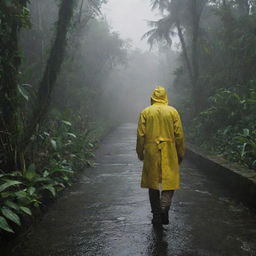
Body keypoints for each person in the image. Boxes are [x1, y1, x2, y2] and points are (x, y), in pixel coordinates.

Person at [136, 86, 185, 225]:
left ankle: (156, 214)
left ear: (152, 97)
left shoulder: (146, 112)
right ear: (165, 97)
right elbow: (179, 135)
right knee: (170, 182)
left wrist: (140, 153)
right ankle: (164, 207)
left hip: (151, 151)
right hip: (169, 150)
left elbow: (141, 136)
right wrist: (180, 153)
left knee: (153, 183)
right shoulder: (172, 111)